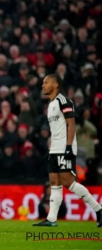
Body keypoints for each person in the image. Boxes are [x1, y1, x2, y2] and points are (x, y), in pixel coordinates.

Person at [33, 74, 102, 227]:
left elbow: (71, 124)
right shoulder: (51, 105)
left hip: (65, 147)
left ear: (56, 85)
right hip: (55, 148)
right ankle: (51, 219)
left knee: (68, 183)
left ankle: (98, 209)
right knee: (54, 183)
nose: (43, 85)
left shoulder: (64, 101)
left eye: (46, 82)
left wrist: (69, 147)